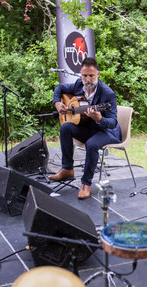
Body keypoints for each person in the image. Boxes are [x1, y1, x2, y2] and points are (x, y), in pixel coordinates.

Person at [49, 57, 121, 199]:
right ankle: (67, 169)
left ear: (98, 74)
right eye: (84, 75)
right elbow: (59, 88)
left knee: (92, 144)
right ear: (80, 74)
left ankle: (86, 184)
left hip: (105, 131)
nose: (87, 79)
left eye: (91, 76)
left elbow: (113, 122)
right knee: (65, 128)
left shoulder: (108, 94)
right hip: (87, 128)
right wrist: (57, 103)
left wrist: (99, 118)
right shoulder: (78, 84)